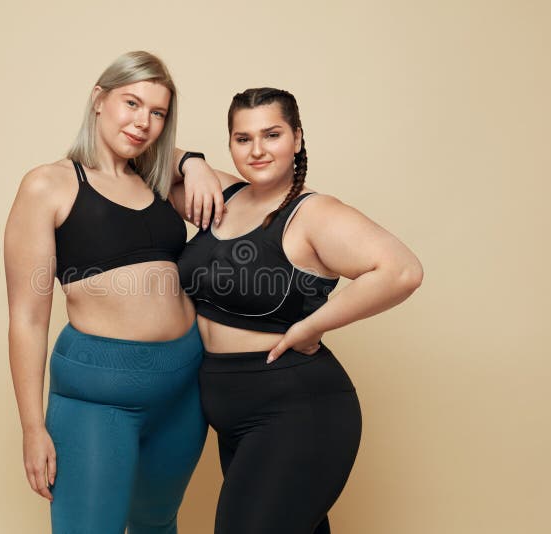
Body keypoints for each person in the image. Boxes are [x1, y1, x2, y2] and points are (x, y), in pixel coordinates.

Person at [172, 87, 424, 534]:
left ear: (297, 138)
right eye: (242, 138)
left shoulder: (313, 213)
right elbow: (145, 157)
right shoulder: (221, 195)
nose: (257, 150)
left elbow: (402, 270)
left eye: (272, 135)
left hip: (296, 411)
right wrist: (192, 162)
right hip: (230, 413)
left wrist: (311, 325)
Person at [3, 50, 224, 534]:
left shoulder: (160, 181)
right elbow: (28, 318)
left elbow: (255, 203)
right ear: (99, 100)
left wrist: (197, 163)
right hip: (98, 396)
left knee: (157, 524)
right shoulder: (49, 185)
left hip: (184, 389)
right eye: (132, 103)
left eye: (158, 112)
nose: (144, 122)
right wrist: (32, 427)